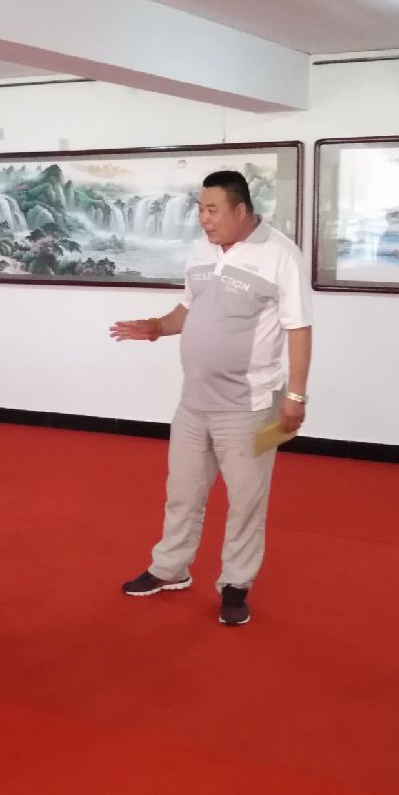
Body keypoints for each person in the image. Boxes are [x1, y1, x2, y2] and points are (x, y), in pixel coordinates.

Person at [111, 170, 312, 627]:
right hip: (194, 401)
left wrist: (296, 395)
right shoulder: (201, 250)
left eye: (212, 210)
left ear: (241, 210)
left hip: (250, 405)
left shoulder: (281, 254)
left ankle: (236, 584)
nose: (204, 218)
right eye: (201, 209)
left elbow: (299, 328)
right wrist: (157, 327)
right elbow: (189, 307)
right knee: (182, 492)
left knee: (245, 501)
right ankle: (170, 568)